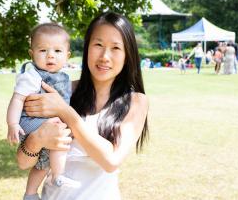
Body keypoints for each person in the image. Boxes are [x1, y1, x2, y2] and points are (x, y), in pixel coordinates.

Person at [17, 12, 149, 200]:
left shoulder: (135, 101)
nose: (105, 56)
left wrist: (65, 112)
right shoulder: (61, 90)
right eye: (98, 45)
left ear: (128, 55)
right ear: (87, 48)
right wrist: (37, 139)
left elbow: (111, 161)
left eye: (115, 48)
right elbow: (23, 162)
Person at [6, 23, 80, 200]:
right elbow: (17, 99)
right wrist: (12, 124)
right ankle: (58, 175)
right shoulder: (32, 76)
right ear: (32, 54)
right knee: (61, 133)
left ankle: (31, 193)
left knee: (43, 163)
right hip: (30, 121)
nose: (50, 56)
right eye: (43, 50)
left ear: (67, 56)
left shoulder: (64, 77)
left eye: (57, 51)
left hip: (46, 122)